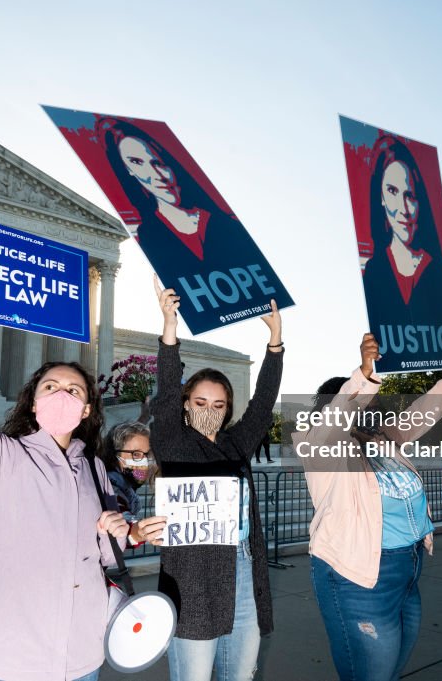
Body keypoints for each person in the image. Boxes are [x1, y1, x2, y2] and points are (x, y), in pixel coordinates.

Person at [0, 252, 163, 681]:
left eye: (74, 390)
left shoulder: (95, 471)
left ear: (85, 410)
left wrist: (124, 531)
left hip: (82, 657)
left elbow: (97, 552)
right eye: (51, 386)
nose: (62, 394)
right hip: (14, 659)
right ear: (35, 401)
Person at [294, 333, 442, 681]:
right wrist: (362, 375)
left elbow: (421, 414)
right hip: (357, 577)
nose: (370, 410)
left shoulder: (383, 441)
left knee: (388, 671)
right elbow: (334, 424)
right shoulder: (320, 447)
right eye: (362, 404)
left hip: (407, 568)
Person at [140, 277, 282, 681]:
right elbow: (165, 393)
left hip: (242, 572)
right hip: (192, 581)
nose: (209, 409)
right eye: (200, 402)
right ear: (186, 406)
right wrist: (169, 328)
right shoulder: (172, 442)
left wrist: (274, 345)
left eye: (219, 404)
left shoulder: (236, 445)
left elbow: (263, 405)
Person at [98, 116, 270, 283]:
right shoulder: (148, 233)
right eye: (137, 162)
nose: (157, 175)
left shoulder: (225, 223)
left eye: (157, 162)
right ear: (127, 170)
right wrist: (169, 313)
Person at [360, 135, 442, 335]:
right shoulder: (373, 271)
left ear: (420, 201)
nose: (403, 209)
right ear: (380, 196)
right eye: (392, 191)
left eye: (410, 195)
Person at [101, 421, 155, 520]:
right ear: (114, 456)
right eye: (136, 454)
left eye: (148, 454)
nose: (144, 461)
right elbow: (121, 518)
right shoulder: (110, 489)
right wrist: (135, 531)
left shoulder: (126, 489)